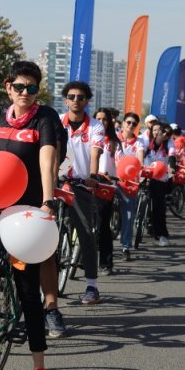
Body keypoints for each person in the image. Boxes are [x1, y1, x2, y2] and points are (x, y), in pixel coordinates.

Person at [0, 61, 62, 370]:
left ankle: (39, 369)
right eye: (20, 87)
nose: (25, 93)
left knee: (27, 291)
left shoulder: (45, 117)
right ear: (8, 87)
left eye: (32, 88)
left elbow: (47, 158)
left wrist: (48, 200)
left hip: (24, 212)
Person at [60, 80, 105, 305]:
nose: (76, 100)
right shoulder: (57, 122)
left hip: (81, 184)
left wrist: (93, 176)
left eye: (81, 97)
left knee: (86, 231)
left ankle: (91, 286)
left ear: (87, 101)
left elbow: (95, 154)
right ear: (66, 100)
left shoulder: (96, 126)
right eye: (72, 96)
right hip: (56, 183)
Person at [94, 108, 122, 275]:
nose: (101, 122)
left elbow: (120, 163)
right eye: (98, 118)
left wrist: (116, 176)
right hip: (87, 181)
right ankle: (79, 256)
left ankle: (106, 263)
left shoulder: (114, 142)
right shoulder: (88, 137)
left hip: (106, 184)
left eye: (104, 119)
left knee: (103, 224)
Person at [140, 120, 174, 246]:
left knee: (159, 207)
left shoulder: (169, 143)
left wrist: (172, 167)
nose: (160, 134)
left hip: (160, 178)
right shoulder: (145, 141)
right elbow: (139, 153)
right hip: (144, 175)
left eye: (161, 131)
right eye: (156, 130)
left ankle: (162, 234)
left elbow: (172, 156)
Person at [116, 112, 144, 260]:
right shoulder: (114, 138)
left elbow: (139, 160)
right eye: (128, 122)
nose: (130, 125)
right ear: (123, 123)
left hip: (129, 183)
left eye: (134, 124)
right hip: (112, 179)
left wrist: (139, 168)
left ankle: (126, 246)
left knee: (128, 215)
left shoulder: (139, 143)